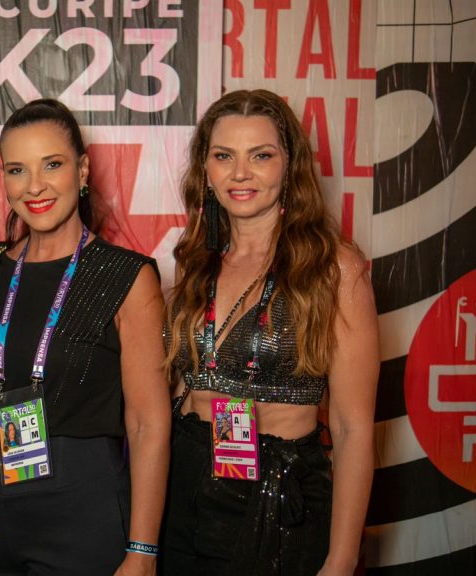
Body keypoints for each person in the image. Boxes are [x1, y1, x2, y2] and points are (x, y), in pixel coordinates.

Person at [159, 89, 379, 575]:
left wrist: (341, 560)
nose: (240, 173)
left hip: (276, 492)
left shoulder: (333, 268)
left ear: (289, 164)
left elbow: (352, 428)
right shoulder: (196, 260)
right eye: (224, 156)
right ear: (205, 170)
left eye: (260, 155)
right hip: (185, 480)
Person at [0, 98, 171, 575]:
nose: (34, 185)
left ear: (82, 170)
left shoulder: (127, 276)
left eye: (52, 165)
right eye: (17, 170)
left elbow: (148, 422)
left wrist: (142, 550)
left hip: (81, 509)